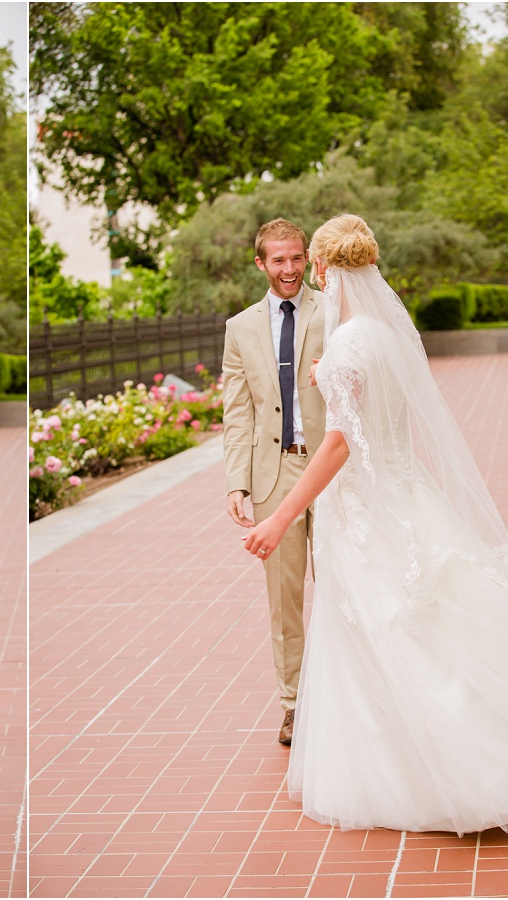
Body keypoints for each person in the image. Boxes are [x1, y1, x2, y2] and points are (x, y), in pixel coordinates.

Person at [243, 214, 508, 834]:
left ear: (321, 268)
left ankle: (451, 773)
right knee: (430, 625)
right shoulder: (385, 334)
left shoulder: (345, 342)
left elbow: (339, 443)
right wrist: (327, 378)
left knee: (390, 632)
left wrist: (282, 517)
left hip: (365, 508)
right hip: (406, 494)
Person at [220, 218, 326, 745]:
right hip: (273, 473)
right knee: (284, 601)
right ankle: (294, 703)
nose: (289, 269)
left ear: (307, 258)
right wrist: (237, 481)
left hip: (332, 468)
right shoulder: (239, 328)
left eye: (296, 258)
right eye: (278, 260)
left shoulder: (334, 311)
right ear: (260, 263)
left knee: (340, 587)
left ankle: (348, 697)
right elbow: (238, 412)